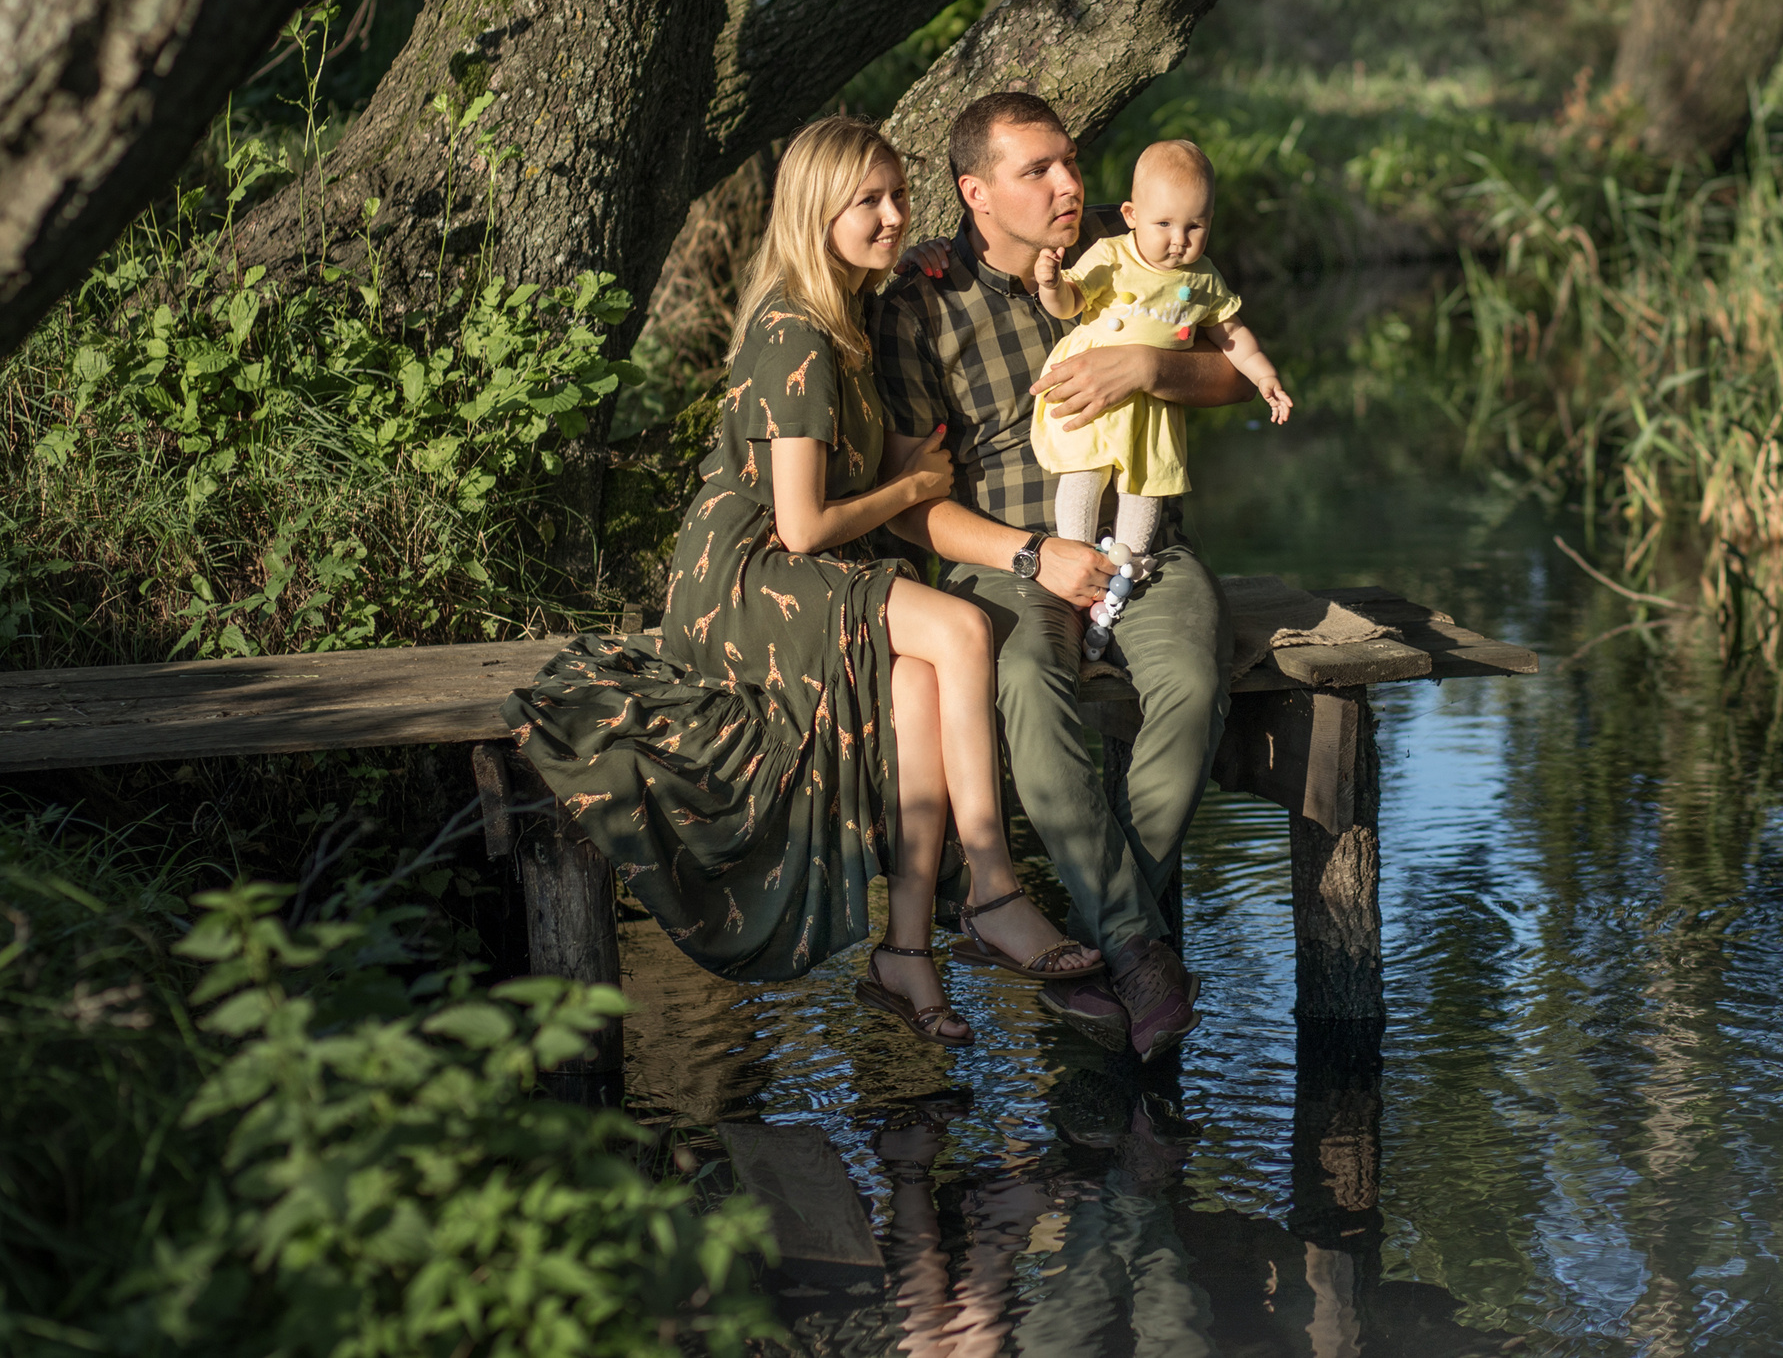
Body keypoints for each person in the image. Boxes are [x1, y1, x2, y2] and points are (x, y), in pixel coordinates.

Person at [504, 116, 1097, 1047]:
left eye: (900, 194)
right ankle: (992, 884)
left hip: (803, 568)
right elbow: (801, 523)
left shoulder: (848, 314)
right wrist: (912, 487)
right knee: (965, 633)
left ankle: (905, 949)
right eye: (868, 200)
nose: (895, 215)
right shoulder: (797, 334)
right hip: (751, 574)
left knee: (916, 686)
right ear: (817, 210)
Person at [873, 91, 1256, 1063]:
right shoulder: (921, 302)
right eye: (1036, 171)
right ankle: (1140, 954)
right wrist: (1034, 556)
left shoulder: (1128, 250)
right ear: (974, 193)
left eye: (1070, 163)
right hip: (1010, 559)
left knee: (1193, 682)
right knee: (1030, 691)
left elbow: (1227, 373)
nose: (1067, 185)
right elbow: (909, 502)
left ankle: (1098, 939)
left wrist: (1144, 369)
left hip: (1144, 547)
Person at [1028, 138, 1292, 659]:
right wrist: (1050, 281)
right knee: (1083, 474)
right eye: (1164, 225)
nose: (1179, 241)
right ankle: (1080, 561)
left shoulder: (1204, 278)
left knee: (1146, 487)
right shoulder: (1111, 256)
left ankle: (1125, 569)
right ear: (1131, 215)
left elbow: (1233, 335)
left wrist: (1265, 377)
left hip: (1151, 410)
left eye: (1196, 227)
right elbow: (1069, 304)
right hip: (1092, 397)